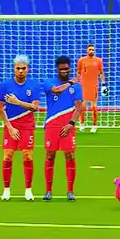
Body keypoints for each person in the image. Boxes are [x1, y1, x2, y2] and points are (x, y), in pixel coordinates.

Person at [0, 55, 41, 201]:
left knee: (27, 155)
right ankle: (6, 190)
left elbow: (35, 107)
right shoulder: (5, 86)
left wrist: (18, 102)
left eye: (23, 68)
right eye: (18, 68)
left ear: (28, 69)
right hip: (11, 125)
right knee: (7, 155)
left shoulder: (34, 85)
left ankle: (28, 190)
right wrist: (9, 127)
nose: (20, 71)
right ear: (14, 69)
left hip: (27, 125)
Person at [43, 57, 83, 202]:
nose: (64, 71)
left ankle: (70, 191)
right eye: (61, 69)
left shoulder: (77, 87)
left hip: (68, 125)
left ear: (69, 68)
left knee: (70, 155)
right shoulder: (49, 82)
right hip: (51, 125)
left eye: (66, 69)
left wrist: (71, 124)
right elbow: (57, 90)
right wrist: (71, 81)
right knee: (50, 156)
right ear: (57, 69)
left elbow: (79, 106)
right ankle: (48, 191)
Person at [77, 44, 107, 133]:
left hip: (94, 86)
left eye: (93, 49)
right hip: (83, 86)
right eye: (90, 49)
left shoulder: (98, 60)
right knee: (82, 106)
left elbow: (101, 73)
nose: (91, 51)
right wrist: (76, 83)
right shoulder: (81, 60)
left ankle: (94, 125)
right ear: (87, 51)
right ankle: (82, 124)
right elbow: (78, 72)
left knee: (94, 107)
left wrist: (104, 85)